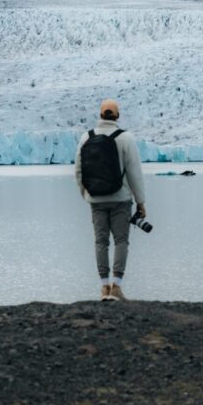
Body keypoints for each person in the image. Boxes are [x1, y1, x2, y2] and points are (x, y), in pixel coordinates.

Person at [75, 98, 147, 301]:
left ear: (100, 115)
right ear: (117, 116)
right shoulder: (126, 138)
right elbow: (135, 173)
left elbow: (78, 171)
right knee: (121, 240)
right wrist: (141, 202)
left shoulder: (85, 137)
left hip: (95, 199)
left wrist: (86, 194)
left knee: (100, 241)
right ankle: (117, 286)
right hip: (121, 200)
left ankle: (103, 287)